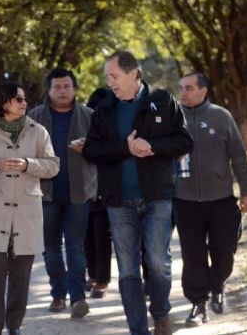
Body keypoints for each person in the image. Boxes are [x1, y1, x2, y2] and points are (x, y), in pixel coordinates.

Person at [83, 50, 193, 335]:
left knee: (158, 263)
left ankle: (160, 313)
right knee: (128, 270)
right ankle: (138, 330)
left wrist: (152, 146)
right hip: (118, 201)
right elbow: (92, 150)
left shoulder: (163, 101)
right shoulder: (104, 108)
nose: (111, 82)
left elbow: (184, 141)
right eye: (108, 77)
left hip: (157, 197)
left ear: (134, 74)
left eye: (115, 76)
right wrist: (125, 147)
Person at [0, 82, 60, 335]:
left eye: (24, 98)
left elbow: (53, 166)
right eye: (17, 98)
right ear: (4, 102)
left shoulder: (38, 132)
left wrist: (28, 164)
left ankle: (14, 325)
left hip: (26, 212)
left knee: (21, 273)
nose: (23, 102)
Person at [174, 72, 247, 326]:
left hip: (221, 200)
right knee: (193, 255)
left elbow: (239, 156)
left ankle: (218, 283)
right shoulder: (174, 119)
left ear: (203, 90)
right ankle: (198, 304)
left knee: (224, 250)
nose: (183, 93)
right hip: (185, 202)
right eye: (181, 88)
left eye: (188, 88)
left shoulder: (221, 117)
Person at [27, 68, 96, 318]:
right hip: (45, 194)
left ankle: (78, 298)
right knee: (50, 248)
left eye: (67, 86)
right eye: (57, 87)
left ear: (74, 89)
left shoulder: (89, 116)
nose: (62, 91)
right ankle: (58, 294)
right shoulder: (34, 117)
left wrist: (89, 148)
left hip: (79, 192)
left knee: (76, 246)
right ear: (49, 90)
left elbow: (103, 151)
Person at [83, 88, 113, 299]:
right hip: (86, 189)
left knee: (102, 235)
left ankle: (102, 279)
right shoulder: (86, 125)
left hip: (107, 189)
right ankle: (92, 274)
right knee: (86, 235)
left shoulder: (115, 128)